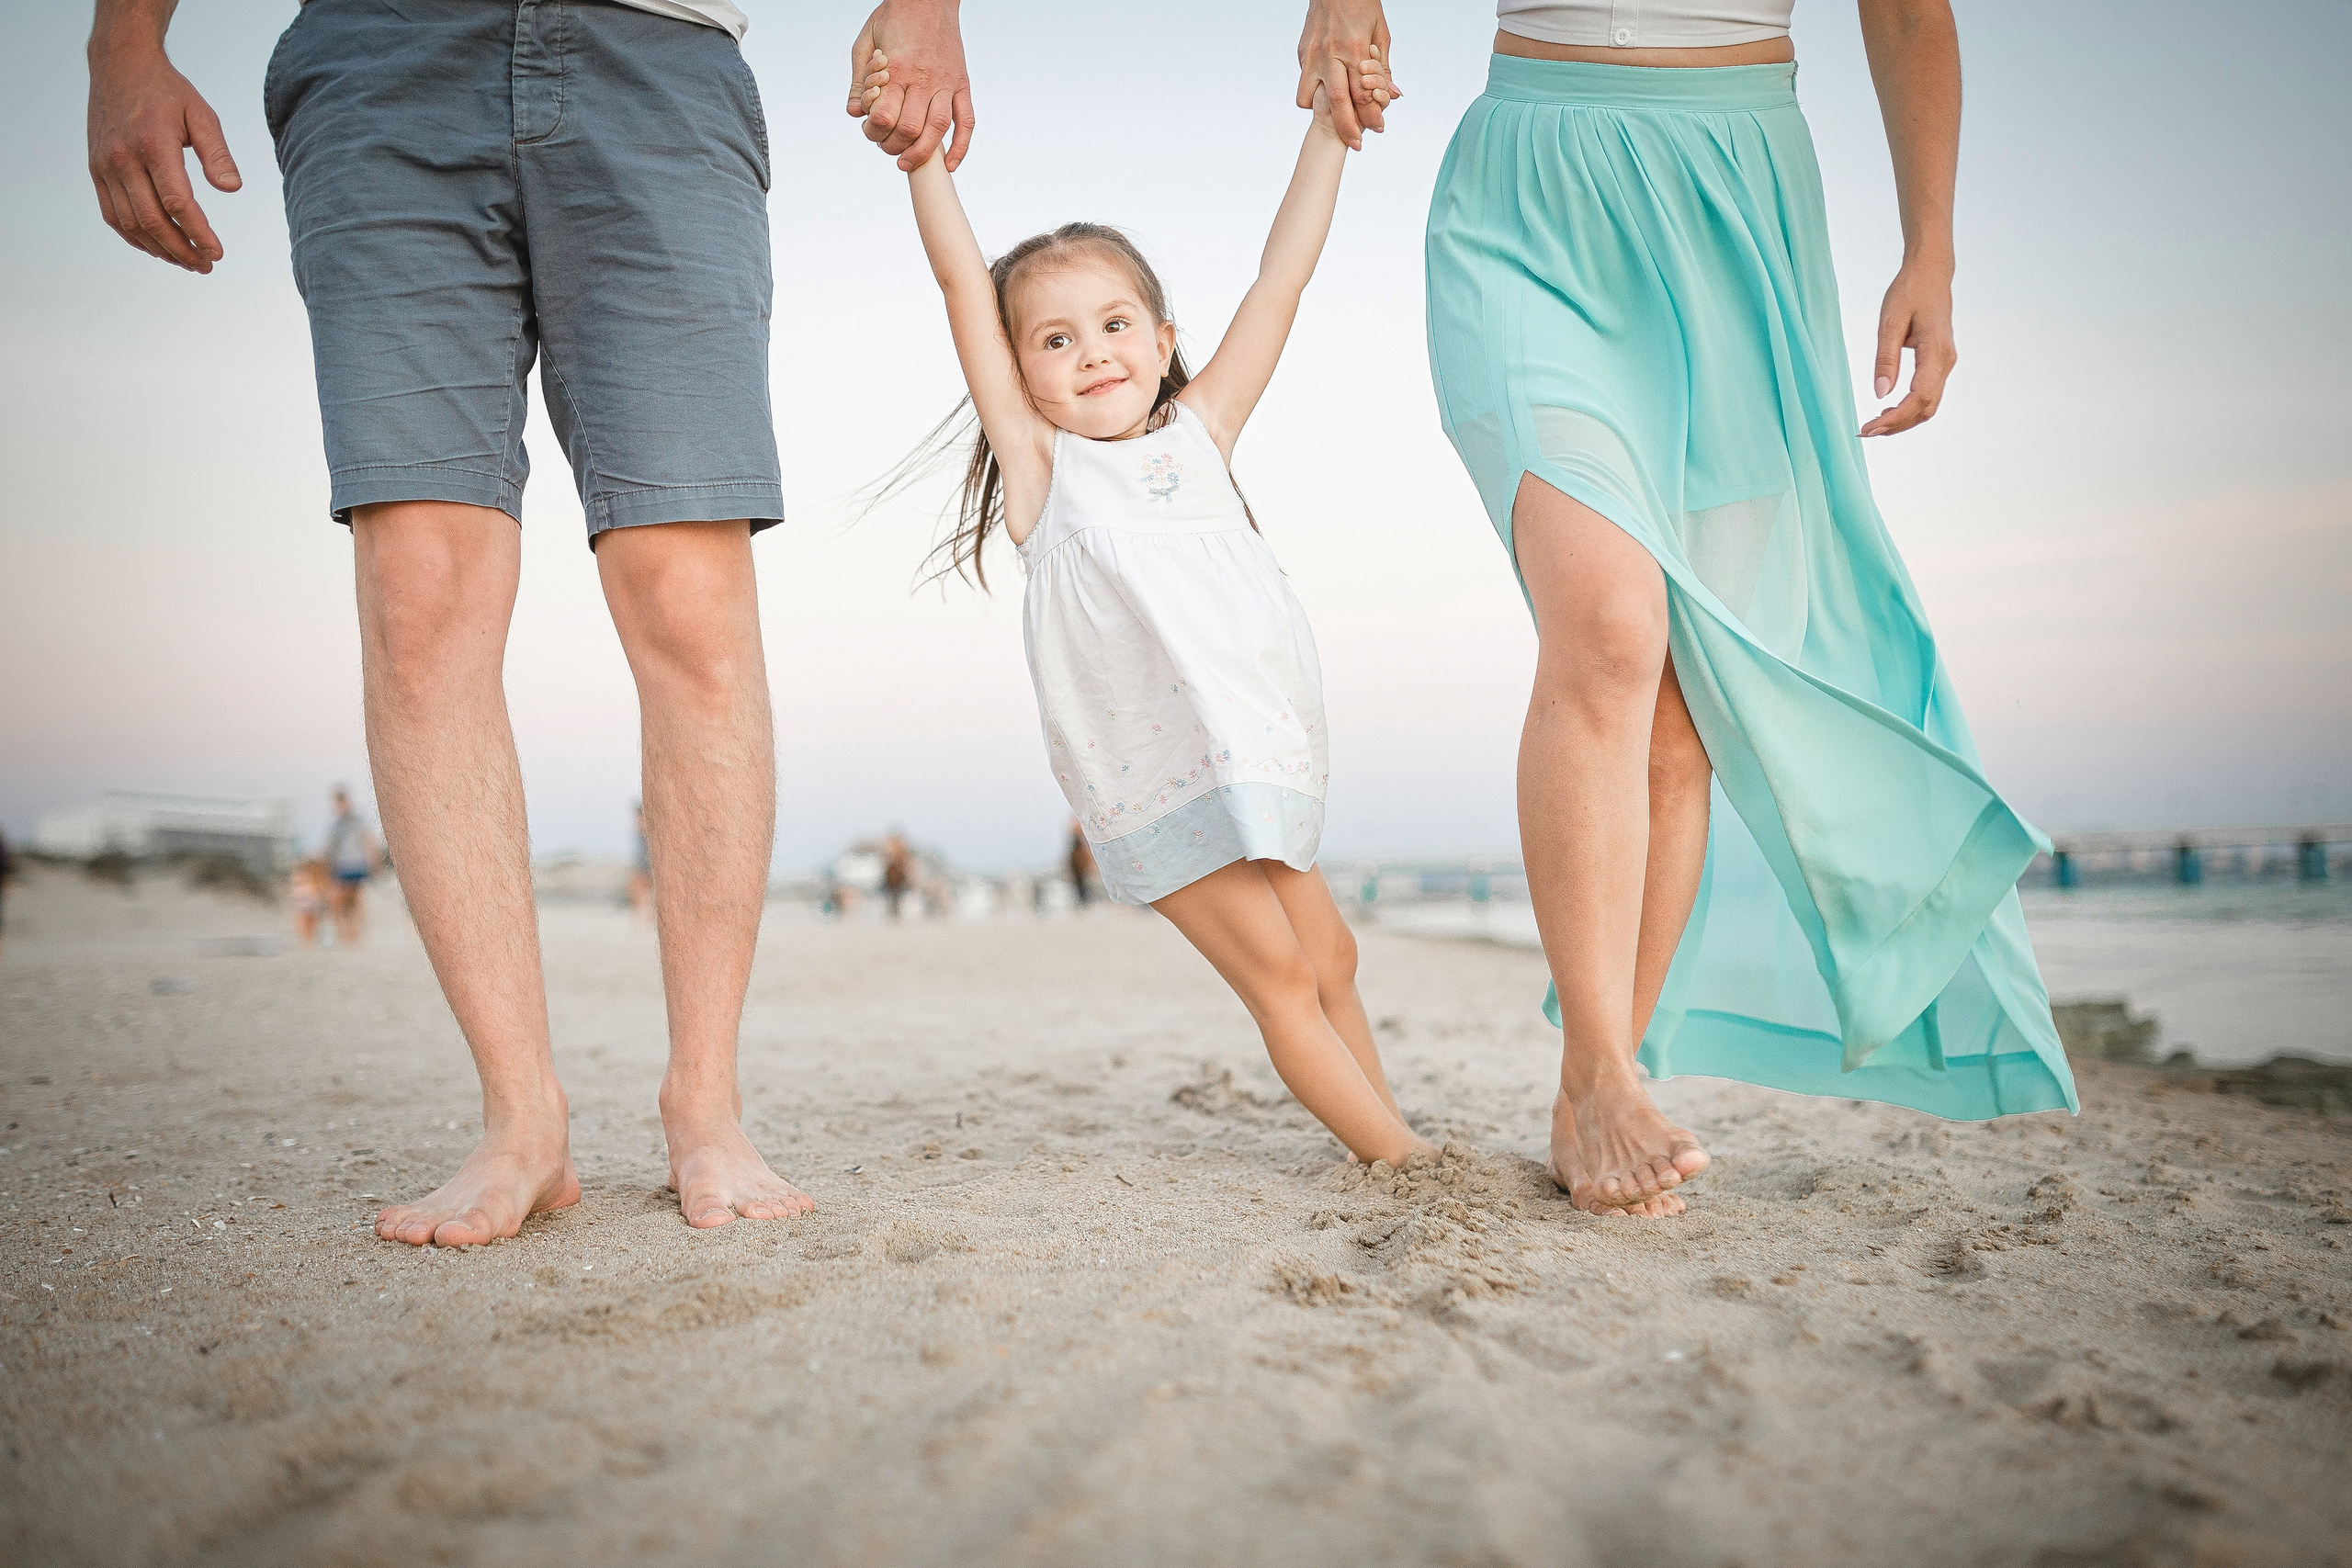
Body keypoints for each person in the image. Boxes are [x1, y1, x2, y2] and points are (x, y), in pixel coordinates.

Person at [83, 0, 871, 1242]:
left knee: (688, 592)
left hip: (657, 50)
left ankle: (705, 1100)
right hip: (381, 53)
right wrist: (123, 42)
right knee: (420, 596)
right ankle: (521, 1115)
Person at [1395, 0, 2078, 1215]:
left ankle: (1605, 1066)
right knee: (1608, 625)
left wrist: (1934, 249)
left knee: (1680, 702)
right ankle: (1604, 1065)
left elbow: (1911, 12)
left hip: (1742, 205)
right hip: (1532, 192)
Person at [870, 50, 1430, 1168]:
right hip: (1149, 775)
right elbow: (956, 292)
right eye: (1056, 340)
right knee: (1276, 977)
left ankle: (1388, 1132)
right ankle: (1403, 1167)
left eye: (1117, 325)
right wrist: (924, 162)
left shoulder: (1204, 434)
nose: (1092, 354)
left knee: (1334, 962)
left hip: (1256, 751)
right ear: (1022, 377)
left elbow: (1283, 279)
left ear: (1164, 340)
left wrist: (1329, 129)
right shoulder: (1042, 473)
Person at [322, 786, 379, 946]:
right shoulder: (336, 824)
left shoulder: (356, 821)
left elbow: (368, 841)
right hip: (342, 866)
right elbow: (330, 849)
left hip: (355, 865)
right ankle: (347, 933)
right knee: (341, 901)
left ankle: (355, 933)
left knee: (353, 901)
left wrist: (373, 862)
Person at [290, 856, 327, 948]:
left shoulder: (317, 878)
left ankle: (309, 938)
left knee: (311, 921)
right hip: (304, 902)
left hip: (312, 902)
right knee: (305, 920)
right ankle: (306, 939)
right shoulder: (301, 877)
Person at [627, 802, 652, 923]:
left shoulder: (646, 833)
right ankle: (641, 917)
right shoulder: (638, 833)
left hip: (648, 868)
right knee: (636, 890)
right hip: (642, 867)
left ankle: (645, 917)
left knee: (643, 891)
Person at [882, 831, 914, 920]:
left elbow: (905, 859)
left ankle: (896, 911)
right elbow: (887, 857)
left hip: (899, 873)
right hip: (891, 875)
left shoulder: (901, 847)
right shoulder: (891, 846)